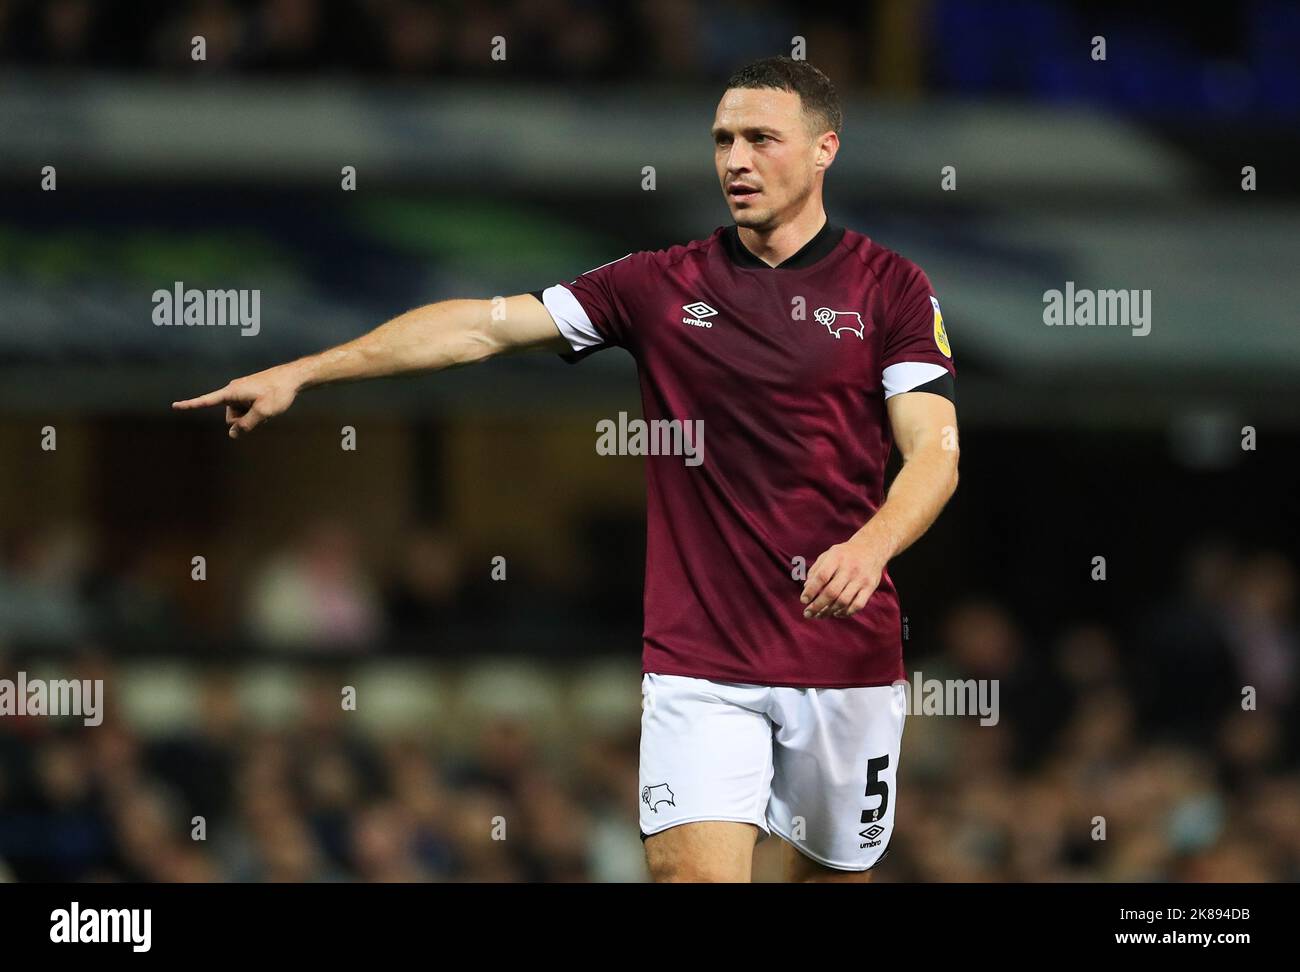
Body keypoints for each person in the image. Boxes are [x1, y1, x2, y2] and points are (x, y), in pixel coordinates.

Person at [174, 55, 960, 883]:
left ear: (824, 148)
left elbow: (934, 453)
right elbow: (481, 327)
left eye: (761, 139)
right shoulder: (659, 284)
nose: (735, 159)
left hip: (843, 661)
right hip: (700, 662)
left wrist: (870, 547)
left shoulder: (892, 290)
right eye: (723, 139)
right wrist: (304, 370)